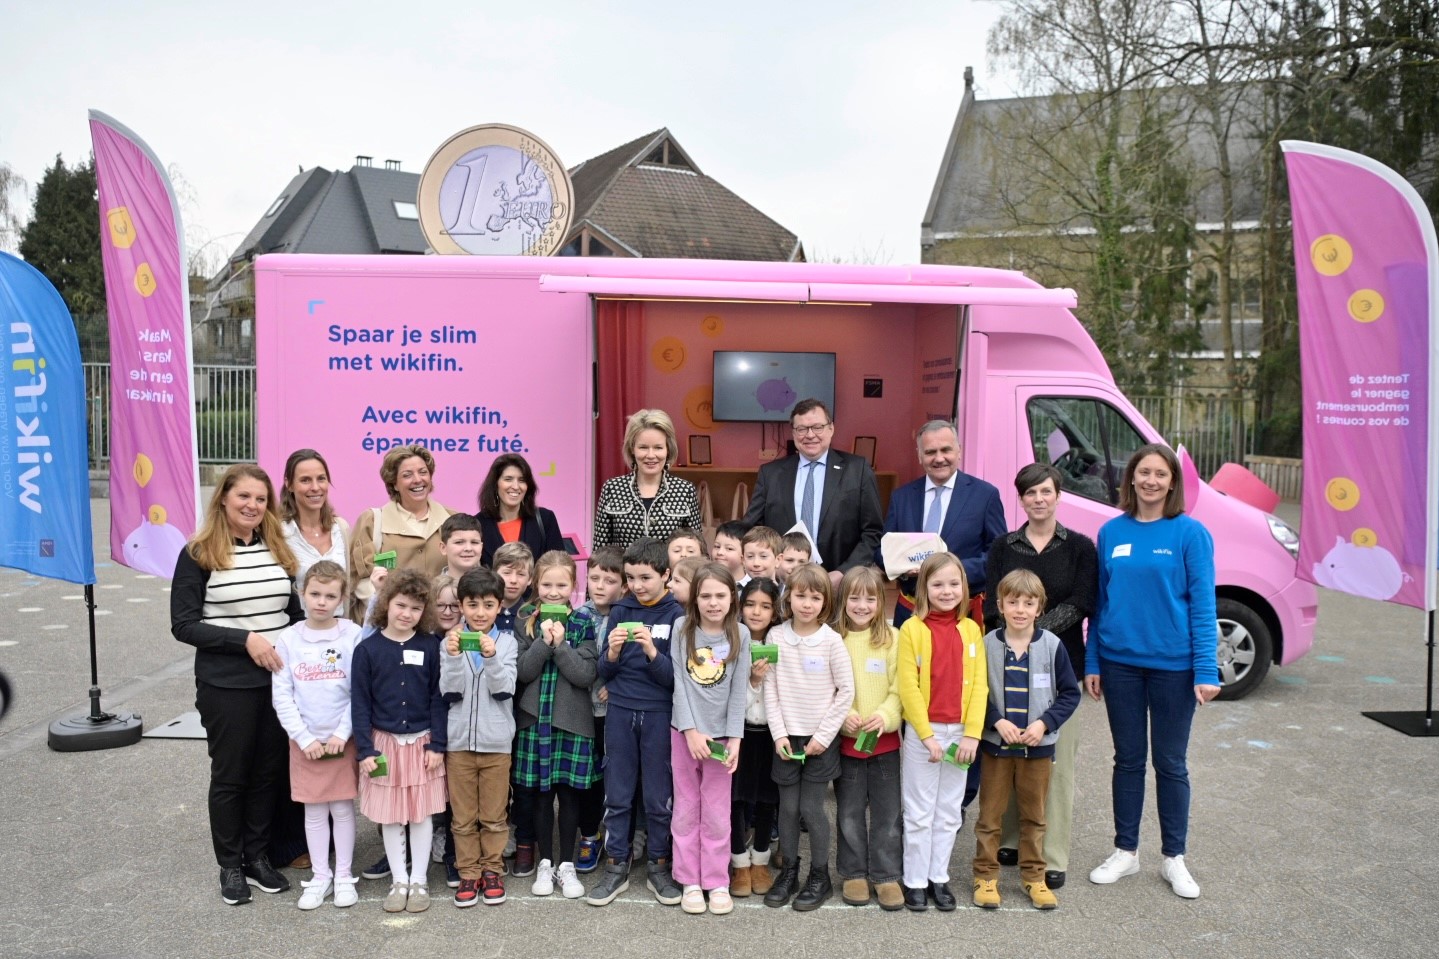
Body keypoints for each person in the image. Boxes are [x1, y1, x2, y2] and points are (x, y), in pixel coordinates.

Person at [1085, 443, 1219, 900]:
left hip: (1173, 669)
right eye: (1144, 472)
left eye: (1161, 474)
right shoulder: (1111, 532)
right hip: (1120, 664)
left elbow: (1203, 607)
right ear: (1131, 479)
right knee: (1127, 759)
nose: (1151, 481)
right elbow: (1101, 604)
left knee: (1170, 763)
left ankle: (1174, 857)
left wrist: (1206, 669)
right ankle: (1126, 851)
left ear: (1173, 482)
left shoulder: (1190, 534)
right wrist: (1092, 661)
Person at [171, 464, 303, 906]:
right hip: (226, 684)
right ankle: (230, 865)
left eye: (261, 499)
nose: (252, 506)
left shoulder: (277, 548)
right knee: (231, 776)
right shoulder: (198, 552)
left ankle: (258, 857)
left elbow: (295, 614)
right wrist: (245, 640)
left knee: (268, 773)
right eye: (243, 496)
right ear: (223, 498)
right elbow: (184, 625)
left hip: (278, 681)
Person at [982, 463, 1097, 890]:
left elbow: (1084, 600)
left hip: (1060, 660)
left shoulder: (1081, 547)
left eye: (1045, 491)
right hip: (1006, 659)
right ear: (1021, 498)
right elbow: (995, 604)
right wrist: (1020, 630)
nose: (1038, 499)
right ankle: (1011, 839)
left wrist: (1037, 631)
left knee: (1056, 763)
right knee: (1009, 753)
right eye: (1030, 493)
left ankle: (1051, 854)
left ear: (1058, 494)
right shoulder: (1002, 546)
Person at [972, 569, 1080, 911]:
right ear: (1000, 605)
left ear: (1039, 607)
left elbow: (1069, 694)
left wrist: (1044, 725)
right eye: (1013, 601)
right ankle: (985, 876)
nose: (1020, 609)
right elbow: (976, 692)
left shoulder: (1052, 645)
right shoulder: (987, 644)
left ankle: (1035, 877)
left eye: (1028, 603)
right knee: (990, 817)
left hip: (1037, 750)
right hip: (996, 749)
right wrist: (996, 720)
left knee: (1034, 817)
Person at [587, 539, 684, 907]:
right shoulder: (620, 609)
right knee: (618, 791)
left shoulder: (677, 615)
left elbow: (675, 678)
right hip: (621, 711)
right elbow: (604, 671)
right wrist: (611, 652)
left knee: (659, 795)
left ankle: (659, 864)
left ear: (666, 575)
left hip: (660, 712)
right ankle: (616, 865)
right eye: (631, 578)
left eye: (646, 577)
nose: (638, 585)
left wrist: (651, 651)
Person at [352, 569, 448, 914]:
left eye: (416, 609)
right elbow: (360, 703)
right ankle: (399, 880)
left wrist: (438, 744)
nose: (407, 614)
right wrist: (365, 749)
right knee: (392, 818)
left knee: (421, 816)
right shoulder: (367, 650)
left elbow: (438, 697)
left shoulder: (430, 646)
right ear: (386, 604)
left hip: (422, 743)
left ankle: (419, 880)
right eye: (401, 605)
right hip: (384, 745)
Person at [895, 551, 987, 912]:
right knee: (918, 810)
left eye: (954, 583)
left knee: (949, 810)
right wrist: (926, 736)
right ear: (924, 588)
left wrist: (972, 735)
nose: (946, 591)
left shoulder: (971, 630)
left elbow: (980, 686)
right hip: (925, 733)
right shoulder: (911, 629)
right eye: (937, 584)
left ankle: (938, 876)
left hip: (962, 733)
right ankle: (915, 880)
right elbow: (908, 687)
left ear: (964, 587)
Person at [270, 560, 364, 910]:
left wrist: (342, 733)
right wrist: (303, 737)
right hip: (305, 742)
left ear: (341, 599)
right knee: (313, 812)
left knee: (341, 808)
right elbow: (282, 693)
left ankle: (343, 875)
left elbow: (360, 690)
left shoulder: (351, 634)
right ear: (301, 593)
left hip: (341, 740)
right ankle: (321, 875)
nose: (321, 601)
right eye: (315, 594)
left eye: (330, 595)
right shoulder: (289, 638)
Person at [762, 563, 854, 912]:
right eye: (800, 595)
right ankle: (789, 872)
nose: (807, 603)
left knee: (812, 808)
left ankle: (820, 875)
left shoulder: (831, 641)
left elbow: (845, 691)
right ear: (789, 597)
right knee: (787, 808)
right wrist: (779, 734)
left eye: (815, 597)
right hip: (786, 738)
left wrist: (825, 736)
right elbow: (770, 688)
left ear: (825, 602)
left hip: (820, 741)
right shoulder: (776, 637)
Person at [514, 551, 599, 901]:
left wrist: (561, 645)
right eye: (546, 584)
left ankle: (567, 864)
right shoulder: (524, 619)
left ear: (573, 586)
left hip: (572, 723)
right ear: (536, 583)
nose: (553, 591)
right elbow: (523, 672)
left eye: (561, 584)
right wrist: (543, 643)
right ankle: (545, 862)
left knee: (569, 794)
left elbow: (584, 675)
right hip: (535, 722)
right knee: (539, 794)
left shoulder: (582, 623)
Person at [670, 563, 751, 915]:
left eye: (721, 595)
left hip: (721, 740)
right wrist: (690, 730)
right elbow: (679, 683)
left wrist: (734, 738)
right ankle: (689, 879)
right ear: (695, 598)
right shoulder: (682, 629)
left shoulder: (740, 634)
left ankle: (717, 880)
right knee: (687, 808)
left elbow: (738, 692)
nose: (713, 603)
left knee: (718, 812)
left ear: (732, 597)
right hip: (685, 735)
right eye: (705, 596)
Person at [440, 567, 518, 908]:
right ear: (461, 605)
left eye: (488, 605)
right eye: (472, 605)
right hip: (459, 745)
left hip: (496, 745)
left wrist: (491, 657)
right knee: (463, 818)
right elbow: (449, 690)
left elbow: (505, 689)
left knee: (494, 816)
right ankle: (468, 872)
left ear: (499, 606)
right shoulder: (450, 641)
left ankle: (492, 870)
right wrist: (455, 657)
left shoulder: (508, 642)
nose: (480, 612)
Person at [744, 399, 883, 587]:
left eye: (817, 427)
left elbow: (873, 531)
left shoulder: (857, 470)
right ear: (794, 433)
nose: (810, 435)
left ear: (831, 429)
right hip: (782, 584)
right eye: (802, 429)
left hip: (838, 583)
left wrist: (843, 573)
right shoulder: (771, 474)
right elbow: (753, 528)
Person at [882, 420, 1005, 627]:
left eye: (946, 450)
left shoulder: (985, 495)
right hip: (911, 613)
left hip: (962, 616)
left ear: (959, 451)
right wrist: (901, 566)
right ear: (920, 456)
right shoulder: (901, 497)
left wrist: (952, 572)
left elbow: (998, 554)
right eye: (930, 452)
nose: (939, 458)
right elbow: (883, 549)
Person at [833, 566, 905, 912]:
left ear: (881, 601)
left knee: (887, 812)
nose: (862, 605)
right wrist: (843, 717)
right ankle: (853, 872)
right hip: (847, 744)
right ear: (842, 600)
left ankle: (887, 874)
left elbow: (901, 688)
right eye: (854, 598)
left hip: (884, 744)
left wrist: (888, 716)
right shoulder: (834, 638)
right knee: (848, 811)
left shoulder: (894, 637)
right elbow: (828, 687)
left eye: (870, 598)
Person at [349, 445, 454, 622]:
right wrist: (396, 610)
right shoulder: (372, 521)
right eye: (407, 475)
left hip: (440, 630)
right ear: (394, 484)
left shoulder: (453, 520)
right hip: (389, 627)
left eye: (423, 472)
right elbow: (360, 580)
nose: (418, 480)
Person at [576, 546, 627, 874]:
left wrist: (618, 683)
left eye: (608, 580)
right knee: (590, 777)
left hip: (616, 710)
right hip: (585, 710)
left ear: (623, 586)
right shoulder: (578, 615)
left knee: (618, 775)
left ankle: (621, 834)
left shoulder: (628, 615)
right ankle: (590, 833)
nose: (599, 586)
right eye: (594, 578)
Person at [731, 577, 782, 898]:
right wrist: (752, 679)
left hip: (772, 735)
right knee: (736, 799)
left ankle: (760, 861)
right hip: (740, 734)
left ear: (775, 611)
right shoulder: (733, 640)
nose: (756, 612)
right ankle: (739, 864)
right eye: (750, 604)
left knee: (767, 799)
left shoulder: (782, 640)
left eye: (765, 606)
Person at [593, 409, 703, 550]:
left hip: (670, 572)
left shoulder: (685, 490)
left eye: (658, 448)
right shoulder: (612, 488)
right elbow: (600, 550)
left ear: (668, 449)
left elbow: (697, 550)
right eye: (643, 447)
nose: (651, 455)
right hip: (623, 572)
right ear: (632, 449)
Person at [280, 448, 350, 598]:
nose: (315, 487)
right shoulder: (279, 533)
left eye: (321, 478)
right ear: (289, 484)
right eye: (305, 480)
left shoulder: (341, 529)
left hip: (338, 621)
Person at [474, 453, 564, 569]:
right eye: (508, 479)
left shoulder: (545, 519)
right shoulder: (478, 524)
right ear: (495, 485)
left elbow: (559, 566)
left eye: (522, 480)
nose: (516, 486)